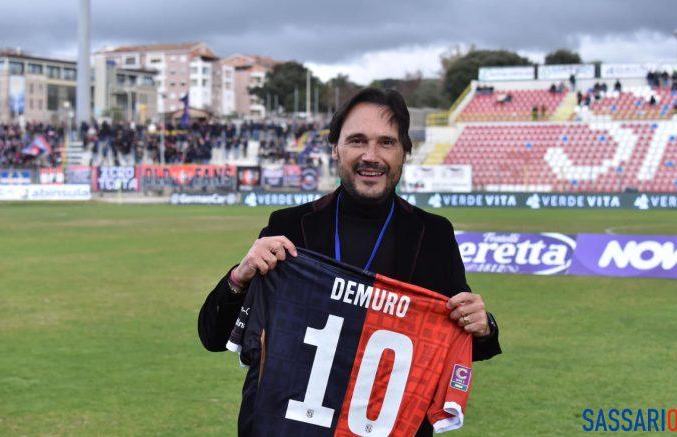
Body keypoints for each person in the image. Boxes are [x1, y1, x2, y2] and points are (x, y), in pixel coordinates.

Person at [198, 88, 501, 436]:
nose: (371, 155)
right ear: (335, 148)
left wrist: (484, 324)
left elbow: (462, 335)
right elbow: (213, 334)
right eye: (357, 141)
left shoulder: (433, 235)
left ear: (405, 152)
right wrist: (241, 275)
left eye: (386, 142)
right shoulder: (288, 227)